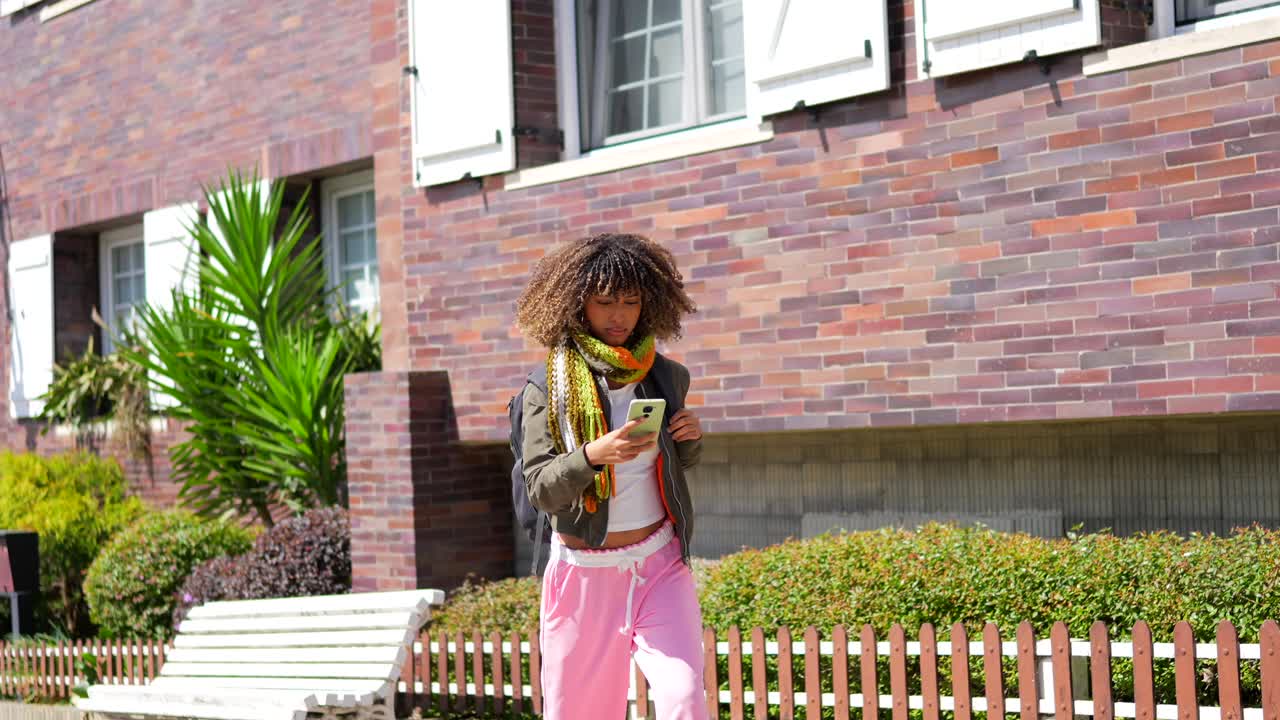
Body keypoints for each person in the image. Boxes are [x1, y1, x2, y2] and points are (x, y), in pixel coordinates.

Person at [515, 232, 707, 720]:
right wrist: (592, 455)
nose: (620, 316)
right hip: (584, 577)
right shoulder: (545, 388)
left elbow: (674, 467)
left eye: (631, 302)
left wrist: (689, 439)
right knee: (581, 713)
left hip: (660, 564)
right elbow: (540, 488)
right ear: (578, 306)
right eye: (604, 303)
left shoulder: (666, 375)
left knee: (684, 699)